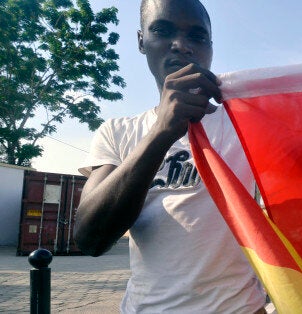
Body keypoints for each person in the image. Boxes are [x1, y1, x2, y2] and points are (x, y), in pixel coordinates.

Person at [73, 0, 267, 312]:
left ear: (210, 48)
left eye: (197, 37)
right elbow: (90, 239)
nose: (181, 45)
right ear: (141, 42)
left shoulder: (249, 128)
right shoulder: (118, 132)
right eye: (162, 31)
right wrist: (161, 132)